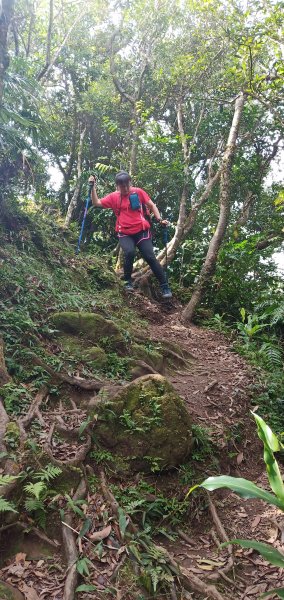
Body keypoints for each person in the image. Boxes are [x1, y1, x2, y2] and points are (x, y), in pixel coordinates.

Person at [88, 171, 172, 298]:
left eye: (127, 185)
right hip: (125, 233)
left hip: (142, 231)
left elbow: (152, 205)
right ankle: (128, 282)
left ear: (130, 183)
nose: (126, 188)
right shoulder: (114, 197)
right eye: (122, 186)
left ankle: (165, 287)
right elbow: (97, 203)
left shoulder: (138, 192)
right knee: (129, 253)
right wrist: (93, 187)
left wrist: (159, 219)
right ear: (117, 186)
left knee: (150, 257)